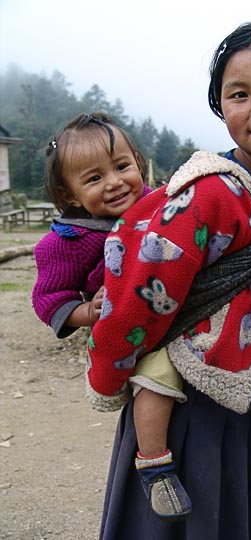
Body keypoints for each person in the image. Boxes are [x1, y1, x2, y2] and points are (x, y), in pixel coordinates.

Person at [86, 19, 251, 540]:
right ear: (222, 109)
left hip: (237, 395)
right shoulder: (210, 195)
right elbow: (142, 293)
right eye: (239, 95)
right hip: (181, 405)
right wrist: (108, 376)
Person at [31, 113, 192, 521]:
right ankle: (155, 465)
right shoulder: (69, 241)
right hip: (139, 334)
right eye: (93, 178)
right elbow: (49, 298)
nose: (115, 182)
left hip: (188, 314)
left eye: (121, 166)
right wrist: (88, 310)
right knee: (156, 379)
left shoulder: (163, 206)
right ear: (69, 195)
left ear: (138, 162)